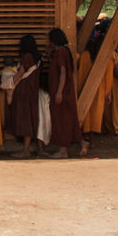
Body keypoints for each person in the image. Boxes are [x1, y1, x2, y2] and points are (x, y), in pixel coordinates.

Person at [44, 28, 86, 158]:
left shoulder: (62, 53)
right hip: (65, 92)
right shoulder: (62, 52)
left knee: (62, 120)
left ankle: (63, 151)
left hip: (62, 93)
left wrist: (59, 92)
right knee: (69, 120)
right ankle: (82, 143)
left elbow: (62, 73)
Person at [8, 35, 41, 158]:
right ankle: (26, 149)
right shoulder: (37, 57)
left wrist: (10, 83)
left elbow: (21, 73)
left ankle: (26, 150)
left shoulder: (27, 57)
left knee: (25, 120)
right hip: (32, 91)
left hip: (24, 92)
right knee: (28, 119)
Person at [76, 33, 110, 139]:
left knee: (86, 112)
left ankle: (85, 133)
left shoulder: (85, 55)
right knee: (96, 112)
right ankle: (92, 133)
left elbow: (79, 74)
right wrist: (108, 93)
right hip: (99, 89)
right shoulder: (104, 57)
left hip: (84, 87)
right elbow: (108, 77)